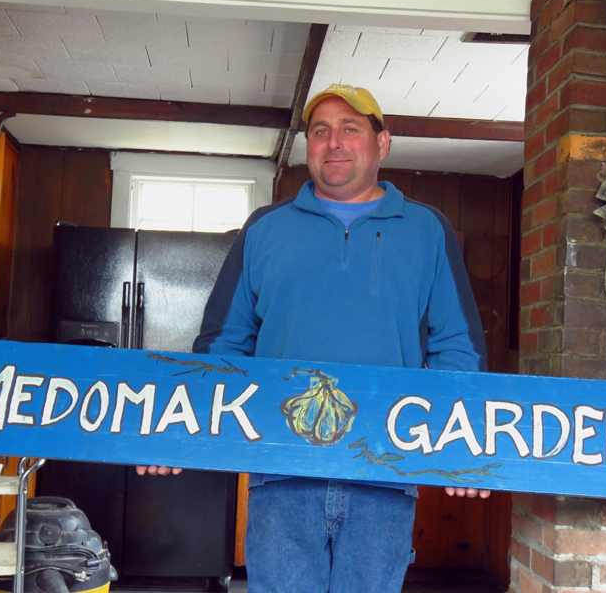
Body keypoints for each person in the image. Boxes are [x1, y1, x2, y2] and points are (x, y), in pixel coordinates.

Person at [140, 84, 489, 593]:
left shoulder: (427, 230)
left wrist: (464, 442)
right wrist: (183, 430)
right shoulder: (265, 228)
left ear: (382, 143)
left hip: (384, 474)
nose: (334, 142)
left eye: (351, 128)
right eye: (320, 131)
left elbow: (457, 345)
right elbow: (223, 345)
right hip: (280, 473)